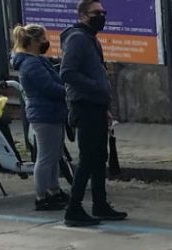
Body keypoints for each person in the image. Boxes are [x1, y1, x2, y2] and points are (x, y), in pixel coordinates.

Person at [60, 0, 126, 226]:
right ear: (82, 15)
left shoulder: (90, 39)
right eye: (95, 13)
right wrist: (95, 88)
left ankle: (100, 204)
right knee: (88, 158)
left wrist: (104, 106)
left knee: (99, 157)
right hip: (84, 105)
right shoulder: (77, 38)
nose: (101, 16)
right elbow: (67, 72)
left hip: (96, 106)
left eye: (103, 12)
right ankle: (74, 209)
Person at [12, 24, 69, 211]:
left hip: (50, 112)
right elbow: (49, 87)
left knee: (54, 155)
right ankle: (41, 196)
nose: (46, 42)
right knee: (46, 157)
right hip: (44, 113)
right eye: (43, 39)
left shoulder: (37, 61)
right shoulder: (31, 64)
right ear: (33, 42)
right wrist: (68, 93)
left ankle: (54, 190)